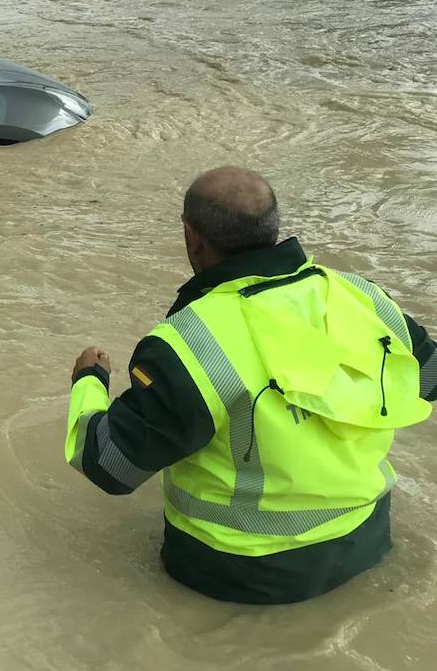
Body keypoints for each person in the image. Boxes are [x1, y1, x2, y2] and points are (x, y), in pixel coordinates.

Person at [65, 167, 436, 605]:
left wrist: (89, 383)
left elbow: (110, 465)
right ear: (272, 227)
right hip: (365, 543)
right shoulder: (361, 297)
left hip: (237, 575)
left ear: (192, 237)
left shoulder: (187, 344)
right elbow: (427, 379)